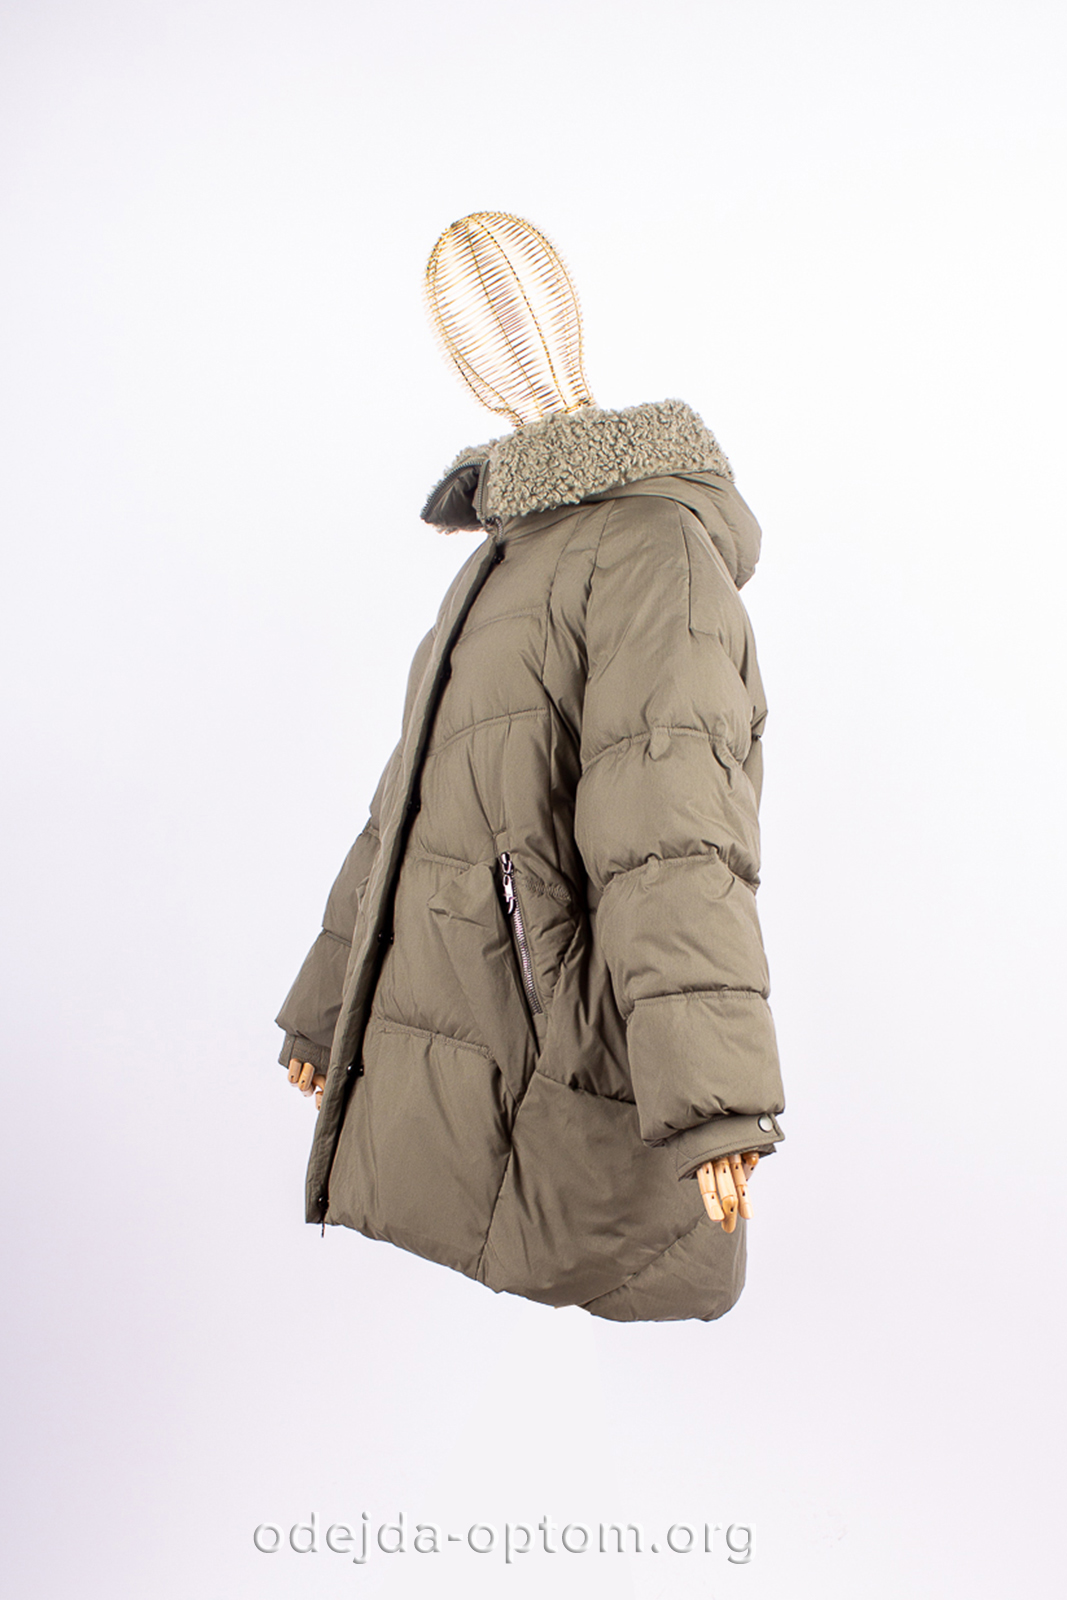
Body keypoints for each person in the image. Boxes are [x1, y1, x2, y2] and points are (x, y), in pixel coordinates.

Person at [275, 213, 786, 1322]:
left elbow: (672, 830)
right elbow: (406, 799)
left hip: (556, 1049)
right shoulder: (507, 557)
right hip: (458, 1040)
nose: (499, 344)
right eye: (467, 326)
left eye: (513, 307)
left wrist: (715, 1100)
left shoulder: (649, 548)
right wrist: (326, 1007)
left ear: (564, 318)